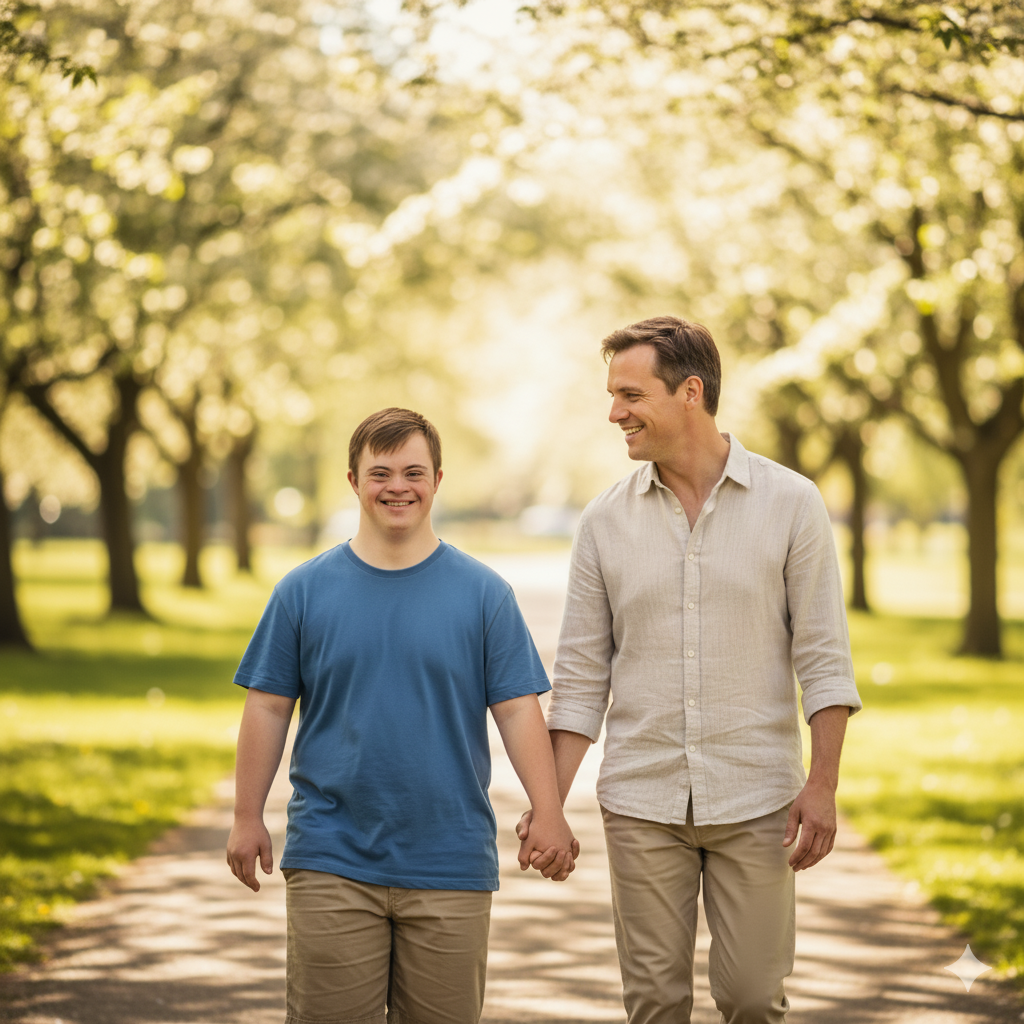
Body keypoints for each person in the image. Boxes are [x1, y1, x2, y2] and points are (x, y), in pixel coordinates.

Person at [518, 316, 862, 1024]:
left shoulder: (791, 503)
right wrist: (550, 807)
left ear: (690, 393)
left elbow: (824, 658)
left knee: (753, 997)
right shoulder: (604, 522)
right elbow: (581, 680)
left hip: (757, 798)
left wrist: (823, 784)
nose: (615, 413)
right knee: (654, 1003)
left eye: (631, 395)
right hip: (642, 800)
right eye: (613, 396)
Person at [226, 406, 578, 1024]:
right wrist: (245, 815)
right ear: (353, 481)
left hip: (450, 862)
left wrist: (548, 811)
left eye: (413, 472)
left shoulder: (484, 594)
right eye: (380, 472)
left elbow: (518, 711)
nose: (398, 487)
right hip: (331, 857)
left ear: (437, 480)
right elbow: (268, 706)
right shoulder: (302, 592)